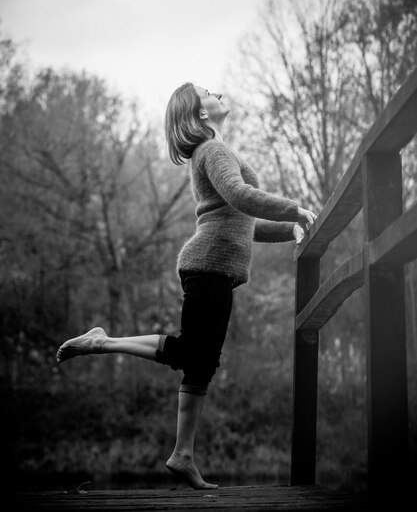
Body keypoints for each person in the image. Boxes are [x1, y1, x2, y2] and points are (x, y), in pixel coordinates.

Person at [56, 82, 316, 490]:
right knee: (195, 354)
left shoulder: (214, 152)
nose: (218, 90)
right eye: (208, 90)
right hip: (208, 264)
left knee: (200, 360)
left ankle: (183, 455)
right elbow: (240, 195)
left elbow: (242, 220)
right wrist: (295, 208)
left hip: (215, 266)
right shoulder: (213, 151)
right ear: (199, 113)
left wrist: (291, 228)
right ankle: (102, 343)